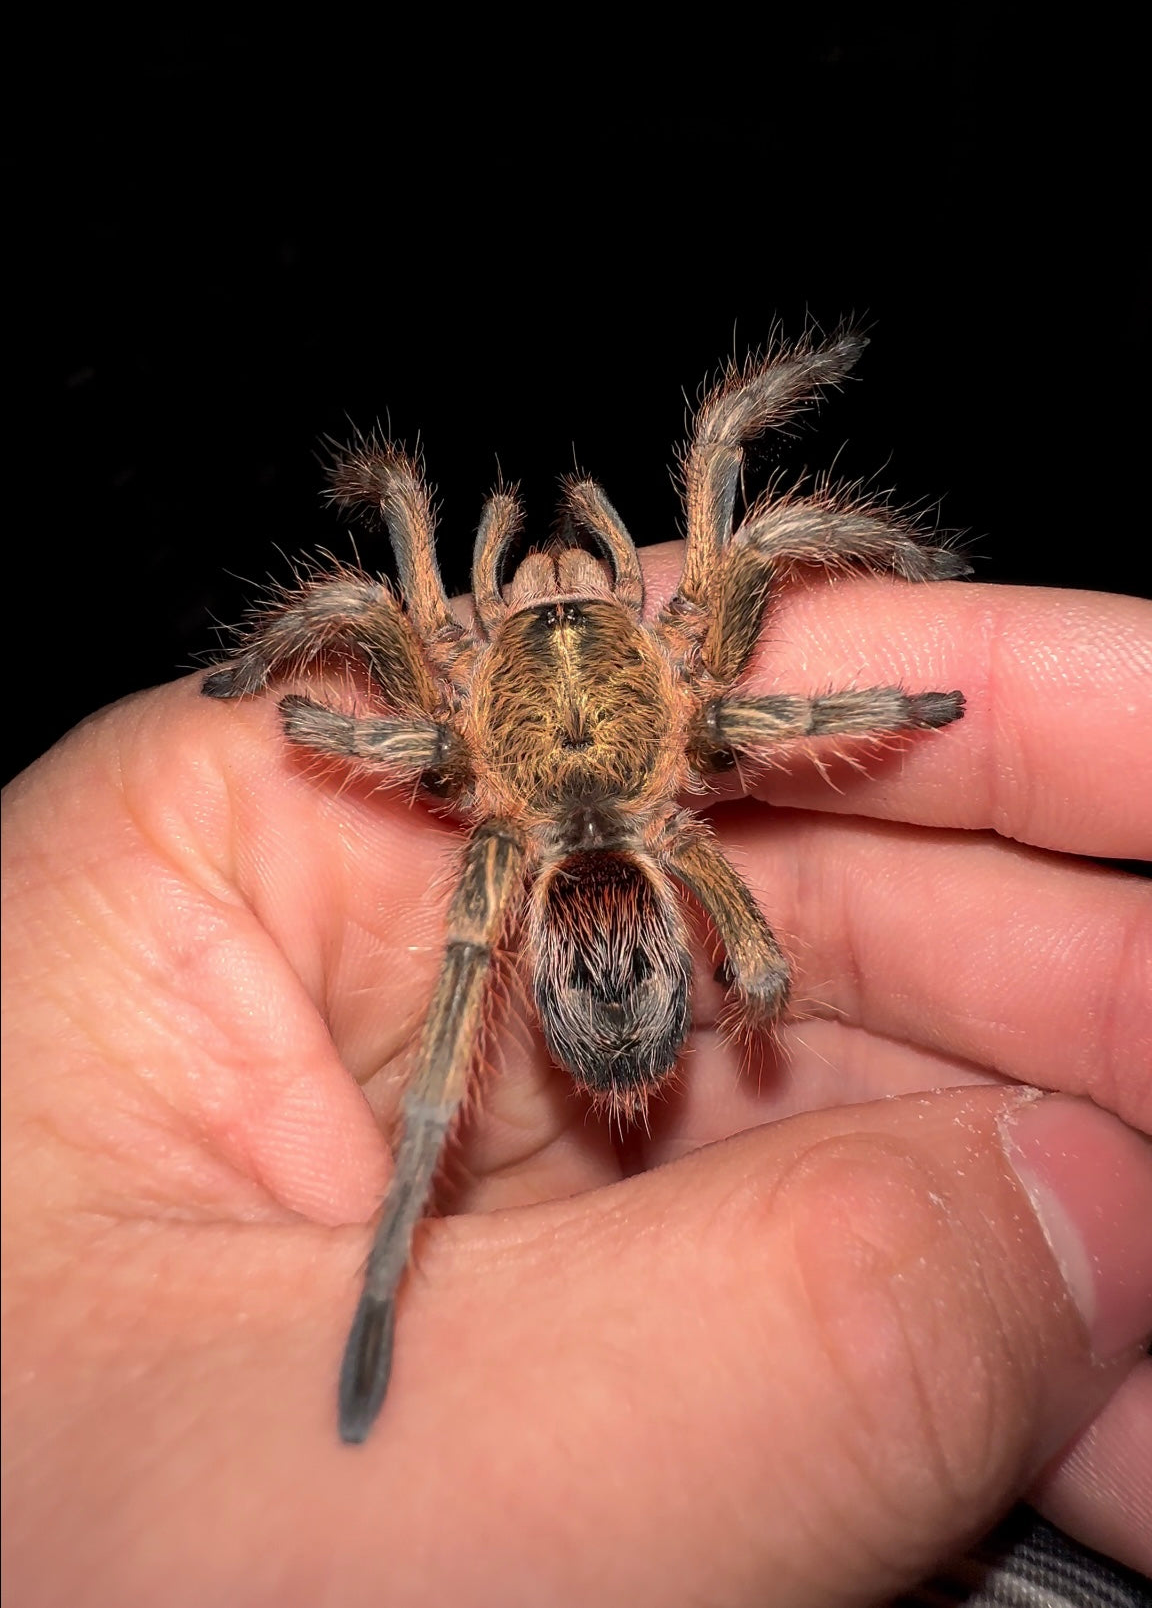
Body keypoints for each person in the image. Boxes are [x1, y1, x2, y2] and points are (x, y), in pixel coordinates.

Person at [3, 549, 1150, 1605]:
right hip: (642, 857)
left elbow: (337, 676)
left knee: (379, 620)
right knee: (736, 530)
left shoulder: (479, 779)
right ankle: (386, 1271)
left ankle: (387, 1270)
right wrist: (901, 711)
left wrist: (285, 690)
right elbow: (758, 922)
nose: (551, 581)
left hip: (554, 862)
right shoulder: (695, 733)